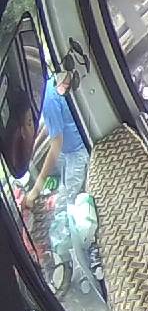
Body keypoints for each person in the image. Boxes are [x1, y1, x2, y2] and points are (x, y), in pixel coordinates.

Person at [26, 70, 88, 209]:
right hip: (67, 150)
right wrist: (33, 147)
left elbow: (56, 145)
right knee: (58, 180)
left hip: (77, 152)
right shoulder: (49, 86)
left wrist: (35, 191)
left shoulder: (48, 99)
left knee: (64, 207)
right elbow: (52, 125)